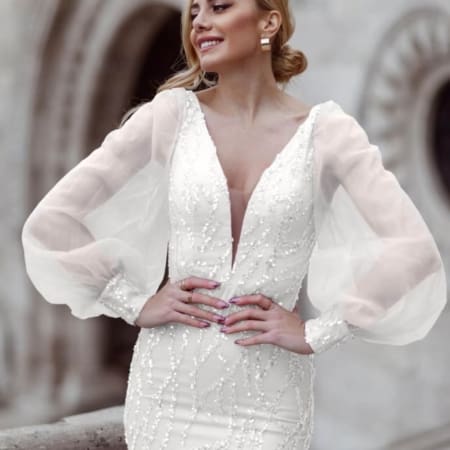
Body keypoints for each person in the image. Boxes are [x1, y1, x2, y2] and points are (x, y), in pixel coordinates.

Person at [21, 0, 447, 448]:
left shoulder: (328, 133)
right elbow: (54, 223)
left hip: (269, 401)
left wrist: (317, 330)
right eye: (195, 10)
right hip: (167, 390)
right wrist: (133, 301)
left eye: (219, 6)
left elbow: (413, 251)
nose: (200, 20)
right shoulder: (170, 117)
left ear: (269, 20)